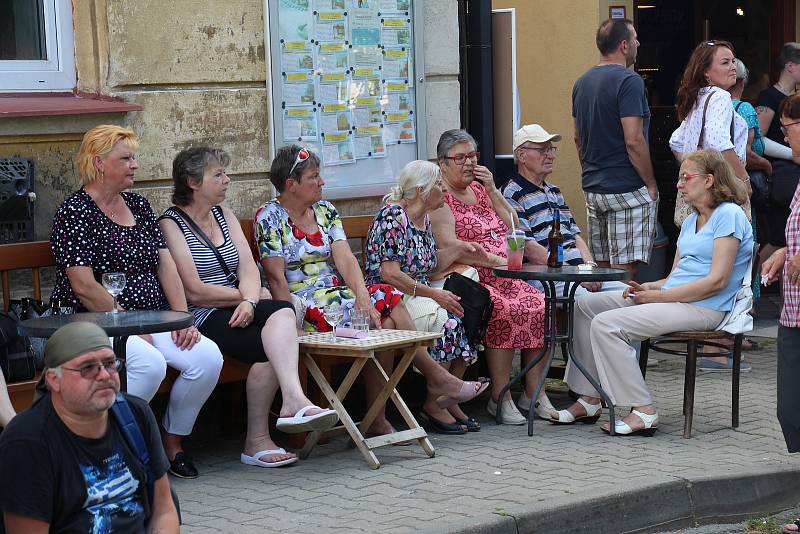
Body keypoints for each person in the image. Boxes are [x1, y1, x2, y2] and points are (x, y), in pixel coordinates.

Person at [257, 145, 488, 436]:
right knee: (388, 313)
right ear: (291, 184)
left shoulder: (325, 211)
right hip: (300, 303)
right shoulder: (269, 216)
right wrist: (289, 321)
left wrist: (363, 296)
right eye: (314, 177)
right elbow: (276, 278)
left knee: (385, 306)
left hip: (334, 297)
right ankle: (432, 380)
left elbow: (345, 258)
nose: (322, 182)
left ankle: (380, 414)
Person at [49, 125, 223, 479]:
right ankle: (112, 447)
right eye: (125, 158)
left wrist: (182, 318)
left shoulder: (140, 206)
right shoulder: (74, 212)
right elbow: (83, 285)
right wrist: (128, 325)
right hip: (94, 321)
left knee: (206, 357)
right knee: (148, 364)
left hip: (152, 316)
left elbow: (165, 265)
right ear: (99, 163)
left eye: (134, 158)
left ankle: (170, 443)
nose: (134, 165)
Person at [160, 146, 338, 468]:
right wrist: (243, 298)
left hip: (243, 302)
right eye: (219, 174)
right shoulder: (171, 224)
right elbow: (194, 290)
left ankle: (291, 401)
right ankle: (258, 437)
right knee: (271, 347)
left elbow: (248, 269)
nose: (227, 180)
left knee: (283, 311)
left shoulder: (223, 214)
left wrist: (251, 299)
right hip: (204, 314)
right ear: (193, 182)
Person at [558, 149, 752, 436]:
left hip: (706, 307)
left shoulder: (729, 215)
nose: (679, 184)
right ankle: (589, 397)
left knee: (608, 325)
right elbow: (674, 277)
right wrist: (651, 287)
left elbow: (716, 282)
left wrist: (659, 297)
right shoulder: (690, 221)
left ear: (710, 180)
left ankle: (643, 410)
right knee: (586, 305)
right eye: (679, 178)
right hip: (677, 299)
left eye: (686, 177)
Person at [0, 322, 179, 533]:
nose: (104, 375)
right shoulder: (26, 441)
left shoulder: (135, 413)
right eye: (87, 368)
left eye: (110, 363)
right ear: (54, 380)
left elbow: (164, 511)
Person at [430, 129, 549, 426]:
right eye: (460, 157)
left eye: (472, 156)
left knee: (540, 303)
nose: (469, 163)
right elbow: (449, 247)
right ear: (442, 163)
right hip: (472, 278)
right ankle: (501, 396)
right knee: (504, 309)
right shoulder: (440, 198)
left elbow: (514, 222)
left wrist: (493, 189)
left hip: (505, 271)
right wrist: (490, 259)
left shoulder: (481, 190)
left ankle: (535, 392)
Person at [364, 159, 490, 434]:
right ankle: (439, 391)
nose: (444, 190)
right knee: (445, 317)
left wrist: (458, 250)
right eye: (438, 185)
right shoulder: (393, 217)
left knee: (463, 310)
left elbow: (428, 264)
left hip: (415, 291)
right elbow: (389, 273)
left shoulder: (425, 218)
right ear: (421, 190)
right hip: (389, 295)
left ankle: (442, 397)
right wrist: (434, 293)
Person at [572, 17, 659, 279]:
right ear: (624, 45)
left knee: (602, 267)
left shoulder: (581, 83)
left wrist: (589, 169)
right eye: (635, 39)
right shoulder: (629, 81)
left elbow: (578, 138)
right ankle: (619, 319)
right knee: (625, 270)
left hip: (593, 186)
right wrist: (651, 183)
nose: (638, 43)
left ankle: (602, 318)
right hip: (626, 185)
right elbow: (634, 140)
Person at [762, 93, 800, 463]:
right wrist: (784, 251)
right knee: (790, 409)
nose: (785, 138)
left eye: (788, 128)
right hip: (793, 312)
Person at [756, 43, 800, 263]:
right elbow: (758, 139)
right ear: (791, 66)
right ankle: (750, 282)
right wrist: (792, 154)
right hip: (782, 174)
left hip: (792, 172)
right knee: (779, 238)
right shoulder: (768, 97)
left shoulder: (795, 98)